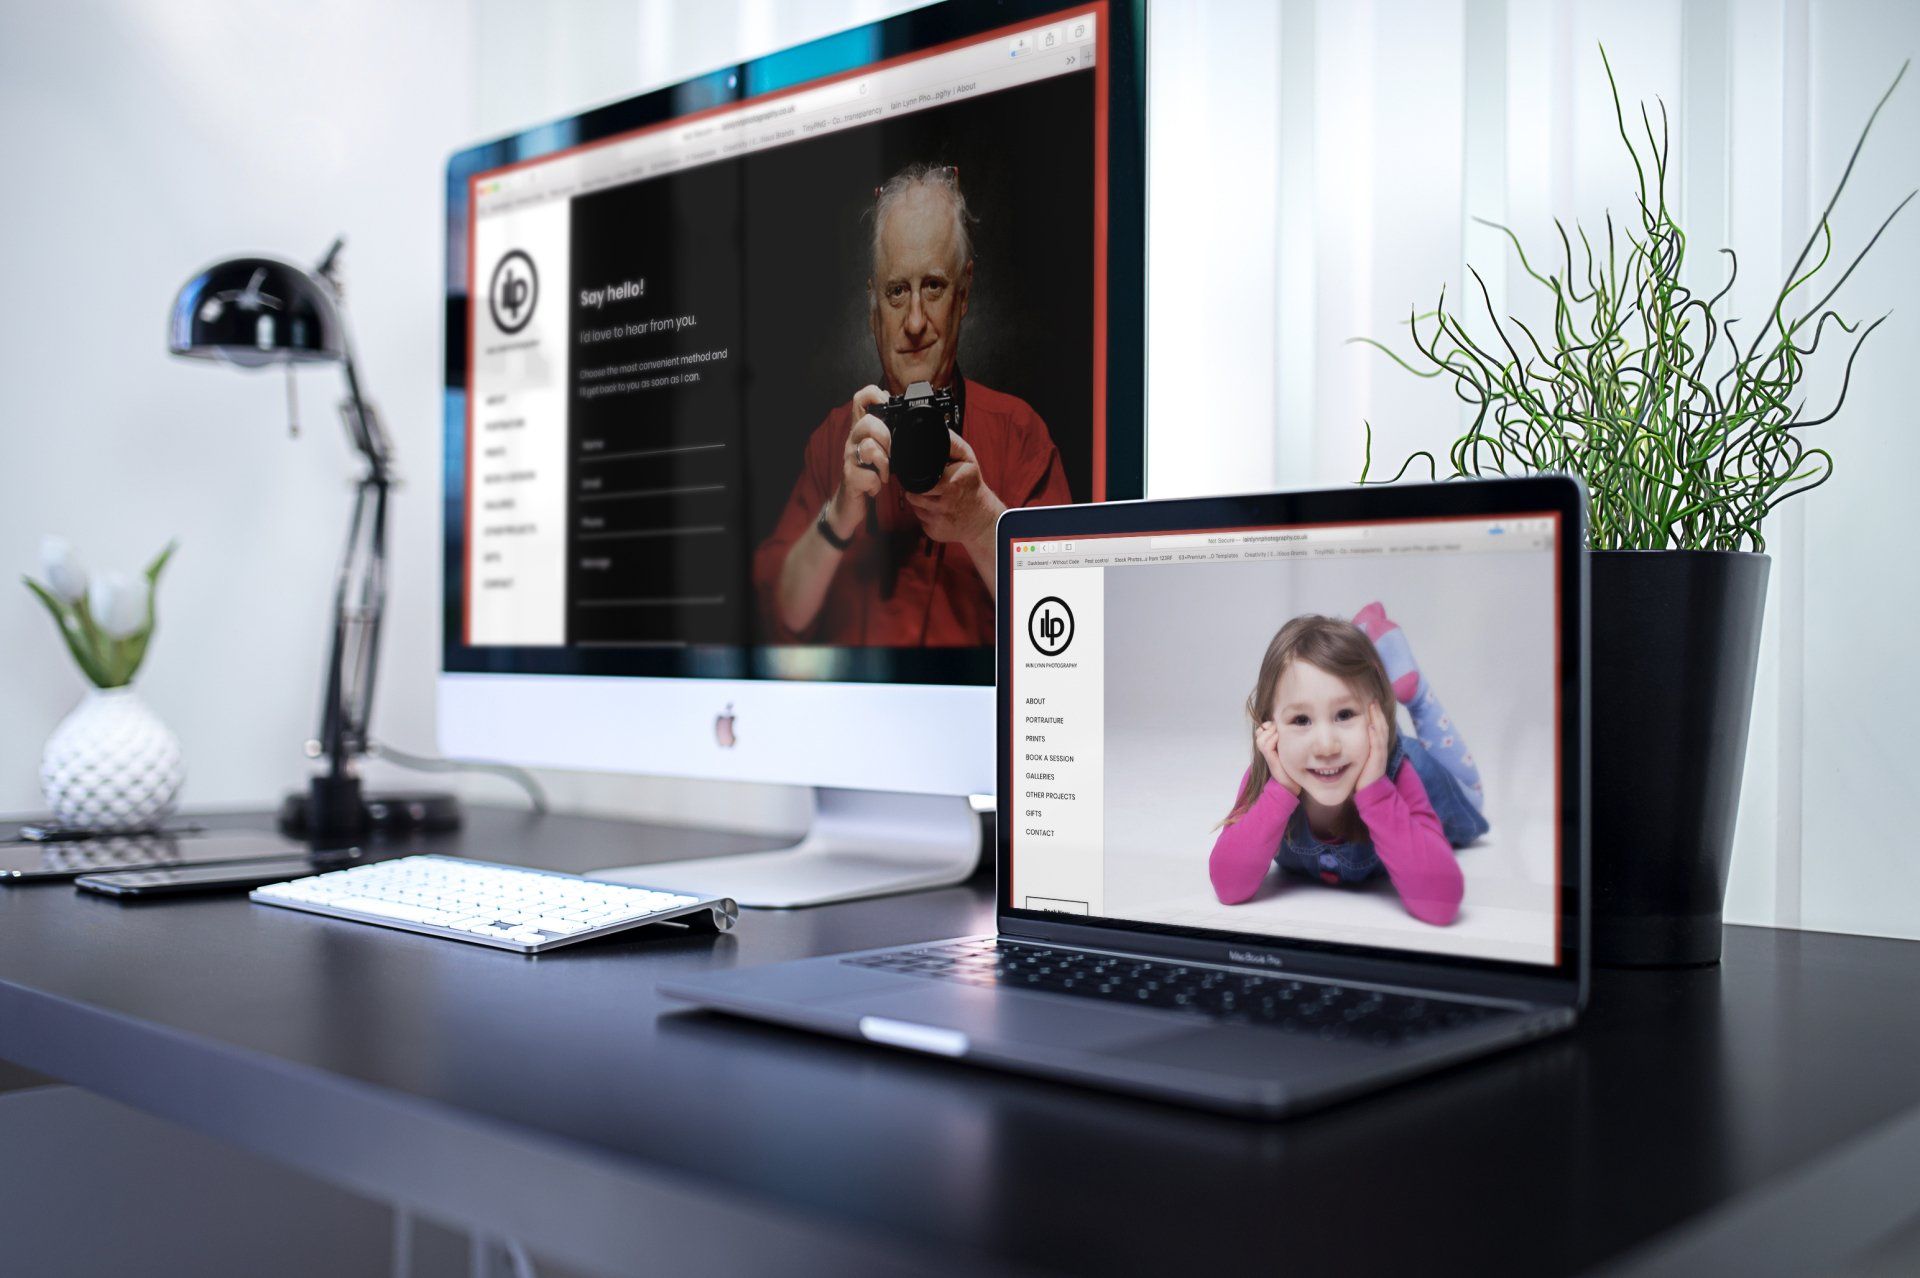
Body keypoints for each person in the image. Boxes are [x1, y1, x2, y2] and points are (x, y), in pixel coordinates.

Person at [752, 163, 1071, 645]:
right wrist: (839, 511)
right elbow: (784, 611)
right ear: (872, 304)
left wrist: (984, 522)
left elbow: (1070, 623)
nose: (916, 320)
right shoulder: (837, 438)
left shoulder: (1018, 435)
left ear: (963, 293)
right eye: (897, 291)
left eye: (935, 287)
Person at [1207, 607, 1489, 926]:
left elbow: (1441, 904)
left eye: (1344, 714)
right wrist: (1280, 791)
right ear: (1269, 729)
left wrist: (1377, 794)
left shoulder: (1402, 773)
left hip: (1433, 782)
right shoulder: (1267, 780)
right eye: (1301, 720)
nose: (1327, 746)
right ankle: (1370, 668)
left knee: (1470, 795)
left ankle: (1418, 693)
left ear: (1377, 716)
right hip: (1348, 752)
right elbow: (1228, 887)